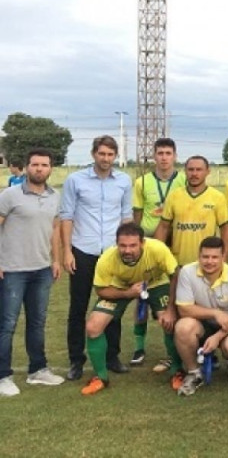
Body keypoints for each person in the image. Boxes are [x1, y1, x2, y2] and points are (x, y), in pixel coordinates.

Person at [59, 135, 133, 382]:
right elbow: (66, 217)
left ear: (115, 156)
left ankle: (112, 357)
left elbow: (126, 217)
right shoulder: (75, 180)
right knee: (78, 308)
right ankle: (75, 361)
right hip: (83, 250)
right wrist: (67, 251)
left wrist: (127, 250)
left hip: (113, 253)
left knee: (112, 306)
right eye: (101, 154)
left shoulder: (123, 181)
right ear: (93, 154)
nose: (106, 158)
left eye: (110, 154)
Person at [79, 223, 179, 395]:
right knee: (93, 326)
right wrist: (127, 293)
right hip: (121, 287)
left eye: (133, 245)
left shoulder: (157, 249)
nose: (127, 250)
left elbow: (176, 275)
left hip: (156, 282)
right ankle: (100, 377)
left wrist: (171, 309)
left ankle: (177, 371)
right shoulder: (107, 258)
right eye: (122, 245)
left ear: (142, 243)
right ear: (117, 244)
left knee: (170, 321)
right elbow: (101, 289)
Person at [0, 148, 63, 396]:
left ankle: (38, 370)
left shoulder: (54, 196)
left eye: (44, 165)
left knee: (37, 323)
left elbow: (54, 230)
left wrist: (55, 260)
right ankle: (3, 375)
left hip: (41, 270)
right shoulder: (10, 195)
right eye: (35, 164)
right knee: (7, 324)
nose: (39, 169)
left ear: (50, 168)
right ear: (26, 167)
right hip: (13, 271)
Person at [130, 137, 185, 366]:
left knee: (174, 292)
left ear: (175, 156)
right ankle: (139, 347)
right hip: (149, 243)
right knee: (141, 294)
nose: (164, 158)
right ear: (154, 156)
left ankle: (176, 346)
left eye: (168, 153)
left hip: (175, 241)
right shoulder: (142, 182)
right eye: (160, 153)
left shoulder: (183, 179)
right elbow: (137, 215)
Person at [172, 236, 228, 396]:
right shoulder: (187, 272)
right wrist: (215, 313)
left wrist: (218, 337)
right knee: (183, 327)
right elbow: (183, 309)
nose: (209, 261)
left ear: (223, 257)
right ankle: (194, 373)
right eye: (205, 257)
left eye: (215, 257)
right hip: (202, 324)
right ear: (198, 256)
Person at [155, 156, 228, 267]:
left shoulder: (217, 197)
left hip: (206, 263)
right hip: (178, 263)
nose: (194, 173)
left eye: (199, 170)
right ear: (185, 171)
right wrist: (158, 254)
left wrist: (225, 257)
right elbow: (163, 227)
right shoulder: (174, 196)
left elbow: (225, 230)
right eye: (191, 169)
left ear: (207, 172)